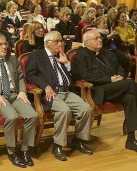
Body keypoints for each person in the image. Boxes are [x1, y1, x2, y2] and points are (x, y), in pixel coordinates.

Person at [72, 31, 137, 155]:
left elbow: (120, 68)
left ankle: (131, 140)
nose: (100, 40)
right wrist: (110, 79)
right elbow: (83, 75)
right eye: (96, 38)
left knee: (130, 97)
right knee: (130, 84)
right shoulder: (81, 55)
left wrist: (121, 77)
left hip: (117, 87)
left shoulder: (107, 53)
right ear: (87, 43)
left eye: (100, 38)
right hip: (98, 91)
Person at [25, 32, 93, 160]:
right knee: (64, 111)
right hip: (51, 94)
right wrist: (45, 86)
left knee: (86, 109)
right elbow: (30, 75)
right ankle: (58, 145)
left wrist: (67, 63)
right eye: (56, 41)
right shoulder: (37, 55)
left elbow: (77, 76)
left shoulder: (62, 56)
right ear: (47, 43)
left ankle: (79, 140)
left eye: (61, 41)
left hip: (67, 92)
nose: (60, 44)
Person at [0, 33, 38, 168]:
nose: (4, 46)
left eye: (5, 43)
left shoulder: (12, 59)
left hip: (15, 95)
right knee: (12, 117)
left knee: (33, 115)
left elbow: (21, 78)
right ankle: (12, 151)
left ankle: (25, 149)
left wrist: (22, 91)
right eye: (0, 44)